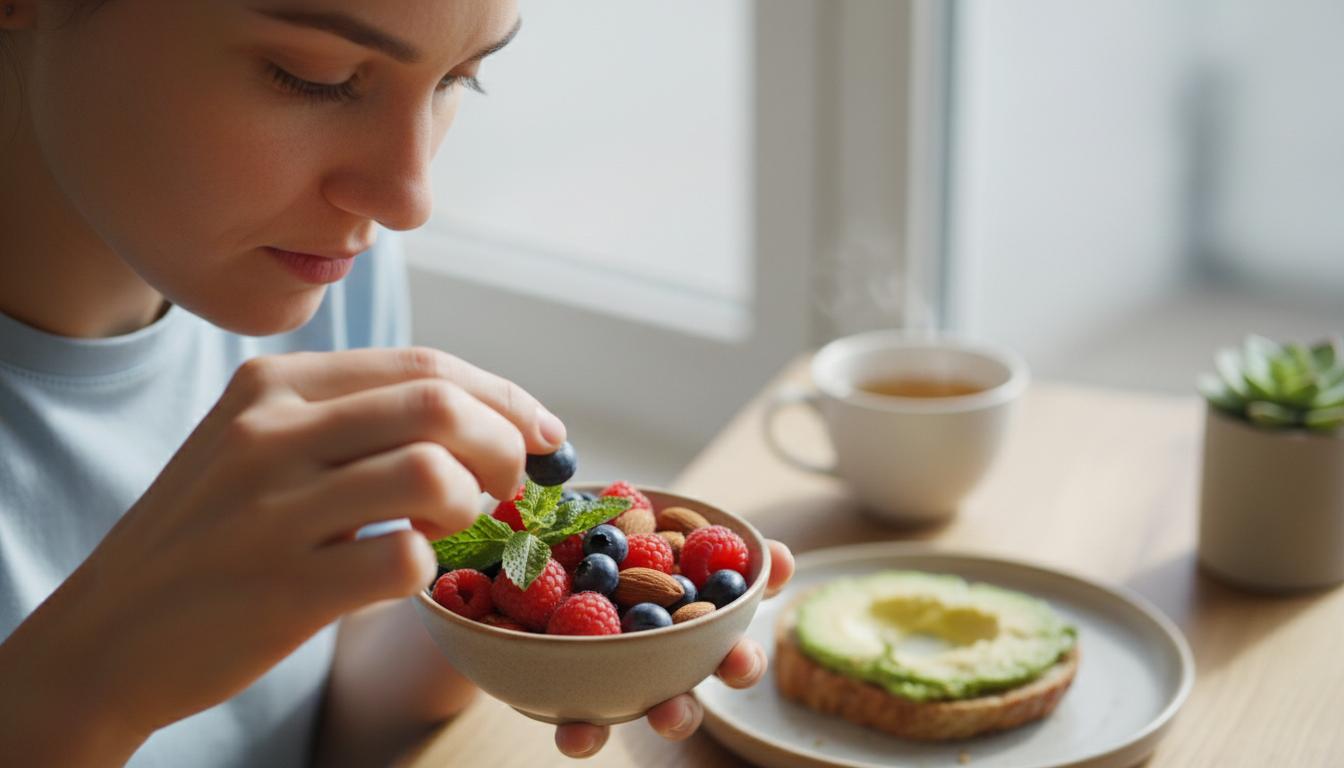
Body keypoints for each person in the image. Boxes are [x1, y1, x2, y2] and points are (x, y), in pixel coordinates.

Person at [0, 1, 796, 765]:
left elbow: (309, 730)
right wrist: (89, 688)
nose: (409, 201)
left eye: (460, 78)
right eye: (313, 75)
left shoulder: (324, 269)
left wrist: (503, 630)